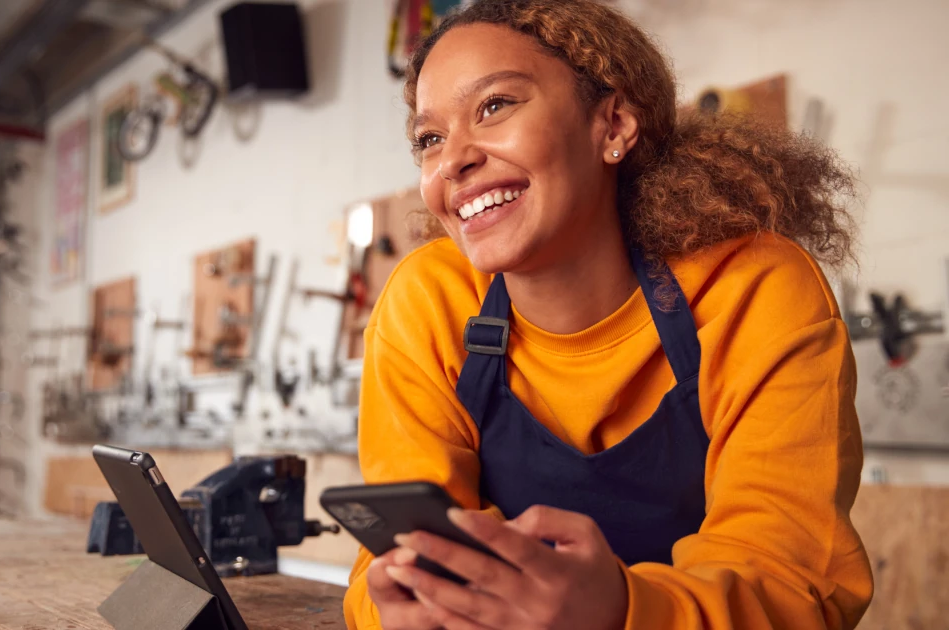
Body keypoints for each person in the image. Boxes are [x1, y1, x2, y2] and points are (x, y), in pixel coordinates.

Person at [344, 1, 874, 628]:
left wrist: (621, 612)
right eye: (429, 138)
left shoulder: (753, 287)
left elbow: (792, 583)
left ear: (614, 125)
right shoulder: (426, 302)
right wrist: (397, 611)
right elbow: (380, 571)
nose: (453, 160)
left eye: (495, 105)